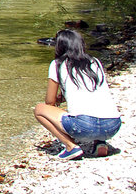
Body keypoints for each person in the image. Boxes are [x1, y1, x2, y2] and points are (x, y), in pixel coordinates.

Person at [34, 29, 121, 160]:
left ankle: (70, 147)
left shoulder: (57, 64)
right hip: (112, 125)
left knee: (40, 109)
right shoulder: (95, 62)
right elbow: (88, 90)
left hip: (84, 126)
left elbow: (49, 102)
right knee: (94, 105)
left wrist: (57, 102)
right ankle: (100, 142)